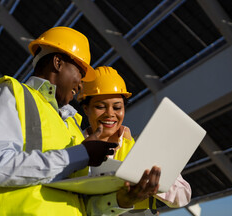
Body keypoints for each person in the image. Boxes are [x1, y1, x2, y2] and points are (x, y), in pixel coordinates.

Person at [0, 27, 152, 215]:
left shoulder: (72, 126)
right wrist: (80, 154)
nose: (80, 85)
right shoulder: (12, 93)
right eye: (80, 72)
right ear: (58, 62)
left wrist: (121, 201)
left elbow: (81, 206)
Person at [78, 66, 192, 215]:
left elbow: (184, 195)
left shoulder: (142, 149)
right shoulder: (75, 148)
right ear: (86, 109)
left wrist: (152, 183)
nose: (110, 114)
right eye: (100, 106)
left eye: (117, 107)